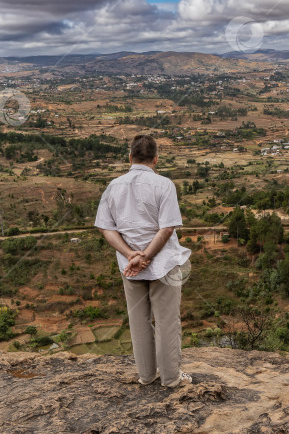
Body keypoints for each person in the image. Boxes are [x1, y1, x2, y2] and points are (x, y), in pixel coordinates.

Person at [94, 134, 193, 388]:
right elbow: (168, 228)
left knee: (138, 321)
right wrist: (146, 256)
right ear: (156, 159)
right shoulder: (164, 184)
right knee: (167, 322)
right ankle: (171, 379)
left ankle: (147, 376)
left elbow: (106, 228)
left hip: (129, 267)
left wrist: (131, 256)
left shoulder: (113, 186)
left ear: (130, 158)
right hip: (164, 265)